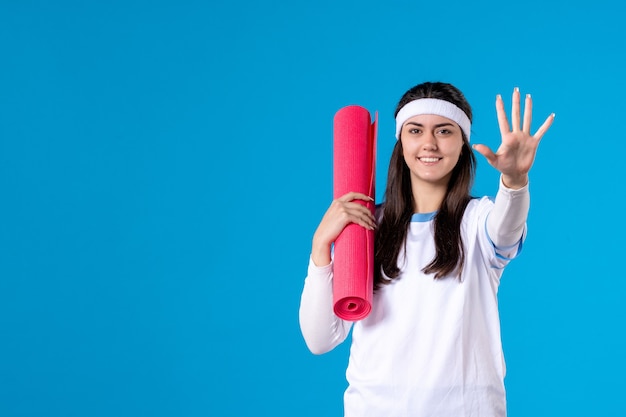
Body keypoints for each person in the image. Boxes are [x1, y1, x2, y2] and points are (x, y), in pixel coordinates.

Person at [298, 81, 554, 417]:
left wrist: (515, 182)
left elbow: (507, 226)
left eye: (444, 131)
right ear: (400, 141)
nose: (429, 143)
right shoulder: (366, 225)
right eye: (415, 130)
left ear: (462, 143)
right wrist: (321, 248)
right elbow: (320, 339)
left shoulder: (479, 221)